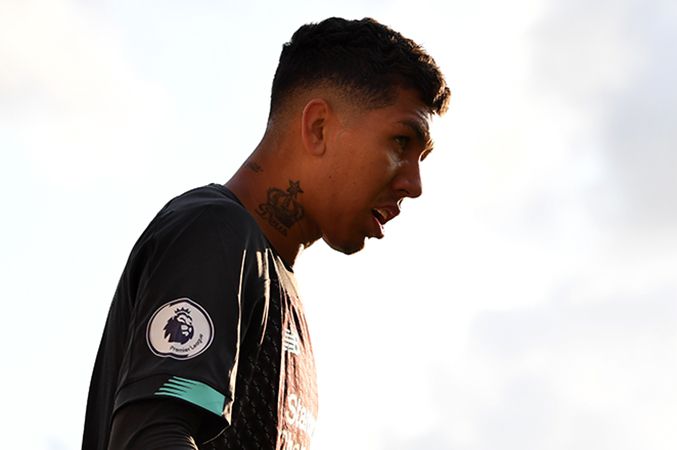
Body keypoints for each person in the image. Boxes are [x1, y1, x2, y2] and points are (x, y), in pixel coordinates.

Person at [81, 16, 450, 449]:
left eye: (422, 158)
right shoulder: (215, 234)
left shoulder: (274, 279)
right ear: (319, 127)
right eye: (401, 142)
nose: (414, 184)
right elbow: (151, 437)